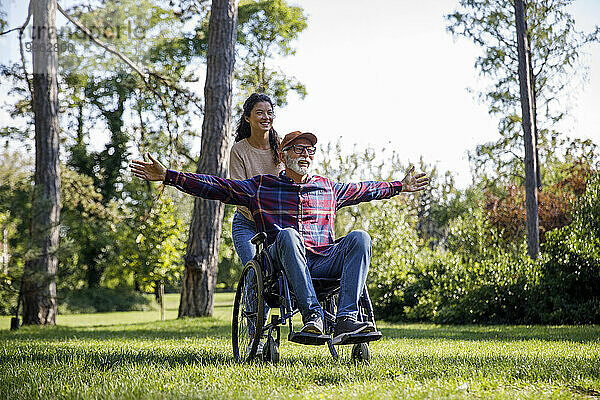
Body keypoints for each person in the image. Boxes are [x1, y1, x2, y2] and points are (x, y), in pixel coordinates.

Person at [130, 131, 429, 344]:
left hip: (322, 262)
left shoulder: (328, 188)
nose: (305, 155)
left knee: (361, 237)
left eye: (309, 150)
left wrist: (400, 186)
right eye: (298, 149)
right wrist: (169, 175)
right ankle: (313, 318)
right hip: (281, 265)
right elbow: (216, 186)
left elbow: (366, 189)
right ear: (283, 156)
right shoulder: (261, 186)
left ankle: (346, 318)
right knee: (287, 235)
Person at [230, 93, 284, 266]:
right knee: (255, 271)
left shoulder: (282, 147)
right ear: (247, 117)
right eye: (260, 112)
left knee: (279, 275)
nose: (266, 117)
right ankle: (250, 292)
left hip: (277, 222)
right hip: (247, 222)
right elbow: (240, 192)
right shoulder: (239, 150)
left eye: (269, 112)